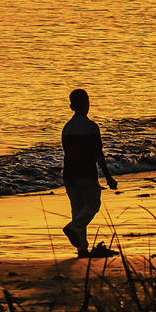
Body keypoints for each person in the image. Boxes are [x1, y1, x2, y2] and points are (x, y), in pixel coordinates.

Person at [60, 88, 119, 258]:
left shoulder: (66, 128)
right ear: (87, 104)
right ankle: (74, 228)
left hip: (69, 174)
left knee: (77, 209)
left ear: (71, 106)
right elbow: (98, 154)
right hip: (86, 172)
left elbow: (67, 152)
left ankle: (82, 249)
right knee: (92, 205)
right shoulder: (91, 127)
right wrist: (108, 176)